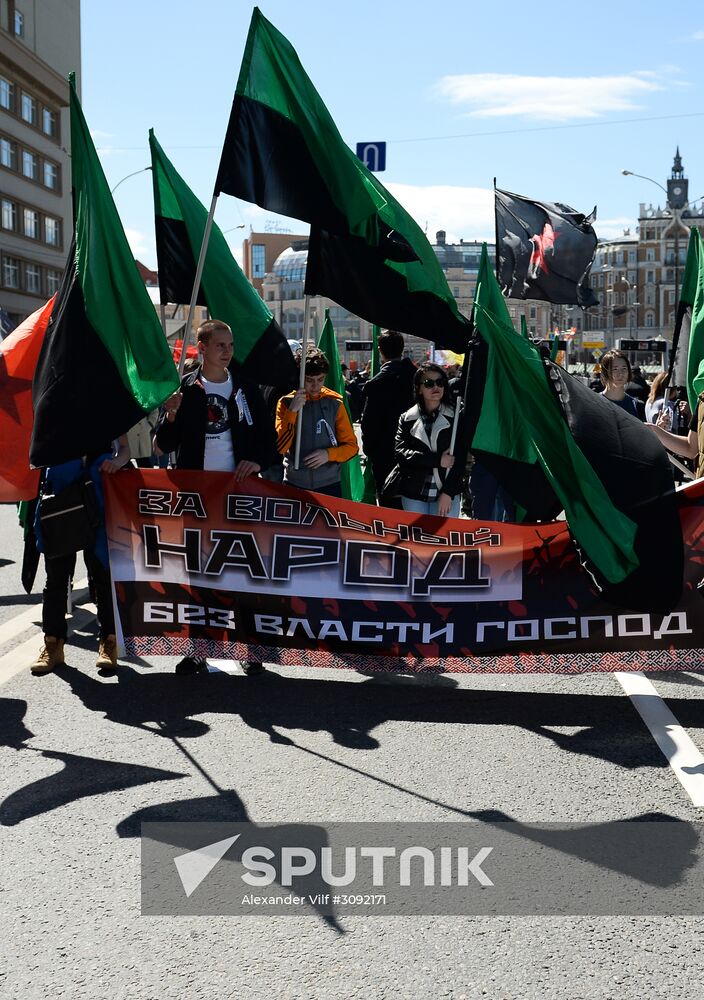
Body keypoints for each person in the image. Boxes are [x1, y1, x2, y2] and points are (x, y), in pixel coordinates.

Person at [155, 319, 275, 675]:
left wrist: (257, 461)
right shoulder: (186, 389)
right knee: (199, 574)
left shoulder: (246, 388)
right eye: (220, 345)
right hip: (197, 496)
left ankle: (249, 650)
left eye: (231, 345)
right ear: (202, 348)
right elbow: (164, 445)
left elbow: (268, 439)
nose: (228, 351)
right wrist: (172, 413)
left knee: (241, 573)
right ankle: (198, 649)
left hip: (238, 494)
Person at [30, 435, 130, 676]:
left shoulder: (108, 400)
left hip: (97, 491)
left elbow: (125, 449)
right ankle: (53, 645)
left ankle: (109, 642)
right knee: (56, 577)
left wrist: (117, 461)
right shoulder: (50, 400)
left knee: (101, 574)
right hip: (60, 491)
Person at [385, 362, 468, 517]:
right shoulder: (407, 418)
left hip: (446, 493)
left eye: (440, 382)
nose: (436, 387)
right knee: (417, 540)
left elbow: (461, 458)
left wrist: (448, 493)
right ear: (419, 388)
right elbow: (400, 453)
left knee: (444, 540)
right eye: (429, 383)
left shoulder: (456, 416)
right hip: (413, 493)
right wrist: (437, 460)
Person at [275, 347, 358, 497]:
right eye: (309, 380)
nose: (315, 386)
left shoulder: (335, 403)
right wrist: (292, 412)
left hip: (330, 485)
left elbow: (352, 447)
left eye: (320, 379)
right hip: (294, 484)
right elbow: (281, 447)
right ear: (300, 378)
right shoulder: (286, 403)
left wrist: (328, 454)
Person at [360, 330, 416, 507]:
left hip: (385, 455)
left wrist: (371, 451)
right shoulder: (418, 377)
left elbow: (369, 425)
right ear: (402, 349)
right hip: (417, 453)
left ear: (380, 351)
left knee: (389, 509)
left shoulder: (377, 384)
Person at [599, 350, 644, 420]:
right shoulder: (594, 403)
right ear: (605, 372)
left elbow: (643, 430)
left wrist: (658, 427)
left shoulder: (637, 406)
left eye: (624, 368)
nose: (620, 373)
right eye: (615, 369)